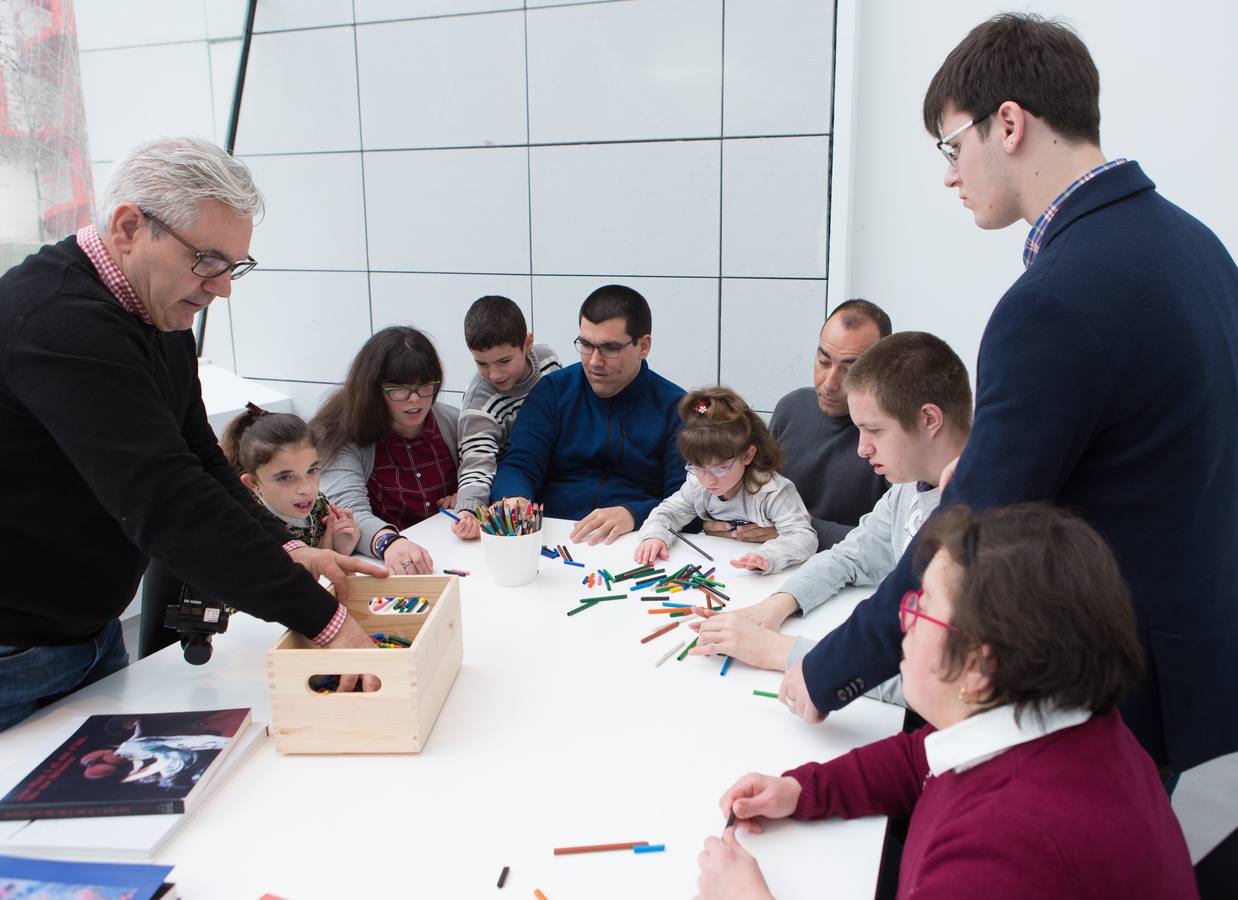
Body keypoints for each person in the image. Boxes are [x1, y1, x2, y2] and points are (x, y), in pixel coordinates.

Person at [788, 13, 1238, 781]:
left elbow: (967, 531)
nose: (950, 174)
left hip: (1101, 678)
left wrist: (831, 668)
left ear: (1008, 123)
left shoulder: (1056, 299)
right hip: (1193, 651)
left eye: (952, 146)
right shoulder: (1198, 246)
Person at [0, 137, 385, 731]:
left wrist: (287, 549)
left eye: (234, 266)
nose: (223, 287)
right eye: (208, 259)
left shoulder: (157, 308)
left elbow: (201, 460)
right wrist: (323, 621)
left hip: (87, 634)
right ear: (129, 227)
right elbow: (167, 499)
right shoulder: (58, 321)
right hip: (17, 653)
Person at [696, 505, 1197, 900]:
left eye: (921, 608)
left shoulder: (1003, 853)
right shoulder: (1059, 721)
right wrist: (801, 790)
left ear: (981, 666)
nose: (903, 623)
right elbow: (921, 758)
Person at [691, 332, 970, 674]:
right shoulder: (908, 487)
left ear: (929, 419)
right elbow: (848, 557)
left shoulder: (981, 518)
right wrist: (774, 607)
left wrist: (784, 653)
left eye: (875, 431)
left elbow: (947, 679)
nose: (862, 448)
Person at [490, 284, 686, 545]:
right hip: (554, 540)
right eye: (586, 344)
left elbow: (689, 500)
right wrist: (515, 499)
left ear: (644, 345)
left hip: (642, 541)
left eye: (610, 348)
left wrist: (634, 513)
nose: (594, 361)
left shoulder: (677, 409)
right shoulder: (552, 392)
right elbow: (520, 465)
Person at [315, 327, 460, 575]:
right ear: (374, 390)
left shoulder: (453, 423)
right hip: (385, 567)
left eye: (425, 386)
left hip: (450, 557)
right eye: (400, 390)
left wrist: (467, 496)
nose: (415, 400)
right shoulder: (342, 434)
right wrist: (388, 542)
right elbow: (348, 514)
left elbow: (488, 471)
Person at [634, 387, 815, 575]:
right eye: (697, 466)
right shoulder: (697, 485)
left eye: (719, 468)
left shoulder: (771, 491)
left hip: (761, 577)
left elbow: (803, 536)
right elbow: (668, 513)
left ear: (747, 455)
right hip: (717, 568)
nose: (708, 479)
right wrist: (655, 537)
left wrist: (768, 556)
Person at [757, 299, 890, 551]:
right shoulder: (791, 408)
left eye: (849, 370)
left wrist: (803, 527)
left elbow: (894, 543)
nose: (829, 383)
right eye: (824, 362)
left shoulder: (895, 435)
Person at [451, 296, 560, 539]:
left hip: (556, 476)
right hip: (510, 493)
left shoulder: (548, 360)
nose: (494, 373)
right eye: (482, 363)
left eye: (504, 361)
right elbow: (476, 462)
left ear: (527, 343)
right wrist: (469, 510)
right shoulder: (479, 402)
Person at [221, 403, 359, 555]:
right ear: (253, 483)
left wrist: (341, 547)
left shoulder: (320, 507)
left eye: (312, 470)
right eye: (285, 477)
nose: (307, 489)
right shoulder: (251, 530)